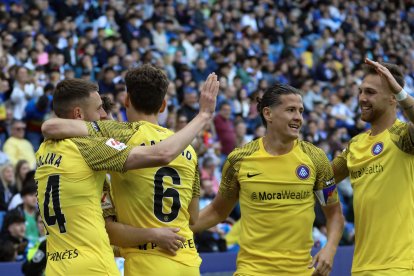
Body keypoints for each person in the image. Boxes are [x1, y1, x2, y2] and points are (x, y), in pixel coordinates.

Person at [42, 65, 219, 275]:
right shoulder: (187, 148)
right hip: (187, 258)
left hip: (145, 261)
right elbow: (193, 216)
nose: (102, 114)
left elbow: (53, 127)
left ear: (127, 100)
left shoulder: (117, 135)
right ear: (163, 105)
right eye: (99, 109)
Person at [191, 83, 344, 275]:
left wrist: (329, 250)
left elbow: (334, 215)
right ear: (268, 114)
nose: (298, 117)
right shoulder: (239, 159)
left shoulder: (315, 158)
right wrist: (177, 229)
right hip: (252, 271)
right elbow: (217, 211)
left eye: (301, 111)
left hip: (301, 271)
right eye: (290, 110)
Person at [332, 58, 414, 275]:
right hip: (361, 267)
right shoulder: (356, 144)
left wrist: (401, 91)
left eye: (370, 92)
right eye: (360, 91)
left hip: (399, 265)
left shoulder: (404, 136)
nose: (361, 98)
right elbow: (321, 178)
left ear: (392, 98)